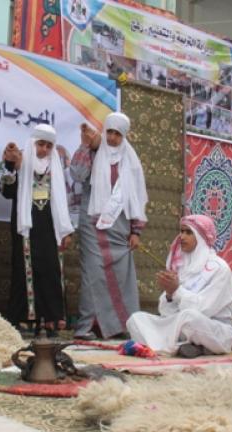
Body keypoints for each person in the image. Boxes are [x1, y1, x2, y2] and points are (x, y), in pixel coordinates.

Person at [70, 112, 148, 340]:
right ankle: (86, 327)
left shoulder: (130, 160)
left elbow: (137, 198)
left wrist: (136, 231)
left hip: (119, 225)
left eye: (117, 134)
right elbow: (77, 174)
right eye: (110, 132)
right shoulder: (94, 152)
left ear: (124, 136)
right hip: (93, 222)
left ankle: (119, 326)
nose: (112, 138)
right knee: (92, 273)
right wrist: (86, 146)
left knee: (122, 274)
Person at [127, 215, 232, 357]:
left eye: (188, 232)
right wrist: (169, 295)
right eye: (181, 231)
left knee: (189, 317)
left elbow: (204, 310)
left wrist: (177, 291)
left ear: (201, 237)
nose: (182, 237)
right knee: (135, 319)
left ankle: (174, 346)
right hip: (181, 327)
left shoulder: (220, 268)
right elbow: (165, 312)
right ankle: (182, 347)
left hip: (213, 329)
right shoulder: (182, 266)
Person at [0, 124, 74, 335]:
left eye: (48, 146)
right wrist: (10, 165)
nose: (43, 149)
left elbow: (60, 200)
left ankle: (50, 320)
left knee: (49, 271)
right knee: (24, 271)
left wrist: (66, 230)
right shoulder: (21, 162)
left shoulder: (54, 167)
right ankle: (24, 320)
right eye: (40, 144)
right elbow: (6, 191)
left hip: (49, 227)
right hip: (25, 226)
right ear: (33, 143)